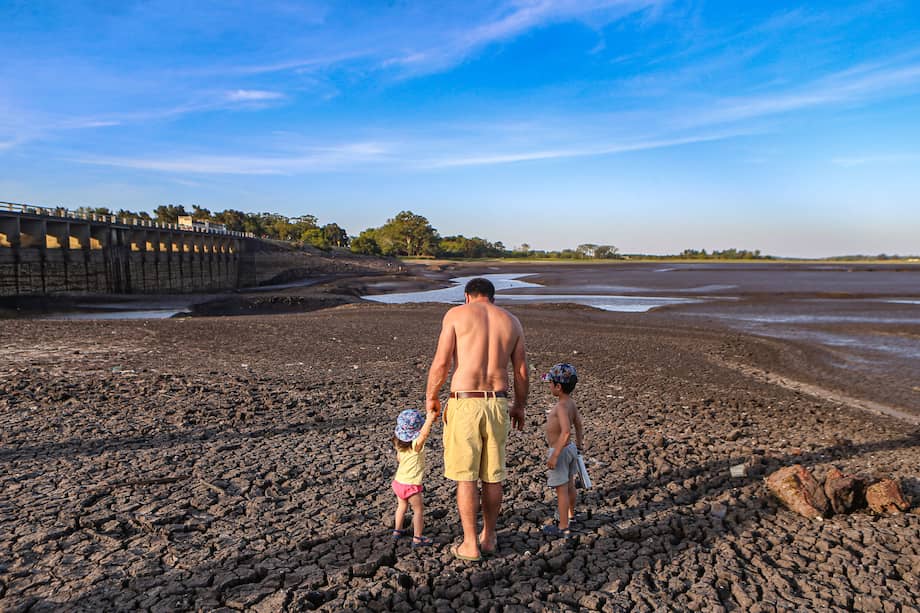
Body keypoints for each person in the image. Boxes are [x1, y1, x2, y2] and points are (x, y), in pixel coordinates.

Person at [426, 277, 529, 562]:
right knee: (492, 476)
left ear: (467, 296)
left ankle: (469, 543)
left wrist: (431, 396)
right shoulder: (511, 321)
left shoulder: (456, 315)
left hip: (465, 401)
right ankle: (489, 537)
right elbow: (520, 371)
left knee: (466, 477)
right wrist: (520, 406)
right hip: (497, 402)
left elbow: (442, 362)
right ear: (492, 298)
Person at [542, 362, 584, 538]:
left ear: (558, 387)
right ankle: (571, 515)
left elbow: (566, 432)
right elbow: (579, 426)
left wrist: (555, 455)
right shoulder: (571, 404)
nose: (549, 386)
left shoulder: (560, 407)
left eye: (550, 383)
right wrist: (579, 446)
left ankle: (563, 527)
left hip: (560, 450)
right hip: (571, 450)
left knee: (562, 491)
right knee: (570, 485)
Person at [391, 408, 437, 548]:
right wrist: (429, 419)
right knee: (418, 511)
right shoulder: (416, 446)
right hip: (411, 486)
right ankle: (417, 538)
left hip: (398, 483)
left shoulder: (398, 444)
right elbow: (423, 434)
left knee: (401, 506)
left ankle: (397, 531)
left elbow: (399, 459)